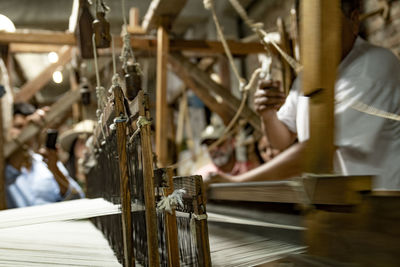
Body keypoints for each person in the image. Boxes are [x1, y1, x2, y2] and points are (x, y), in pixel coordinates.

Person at [213, 0, 400, 189]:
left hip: (381, 207)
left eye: (326, 21)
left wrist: (238, 181)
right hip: (339, 204)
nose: (314, 32)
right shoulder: (310, 75)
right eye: (306, 23)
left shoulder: (371, 67)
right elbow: (281, 140)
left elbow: (318, 150)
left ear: (353, 20)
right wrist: (268, 115)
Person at [5, 103, 84, 209]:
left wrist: (54, 169)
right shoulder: (4, 168)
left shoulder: (44, 163)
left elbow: (78, 199)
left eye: (29, 128)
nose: (26, 133)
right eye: (18, 127)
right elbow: (8, 177)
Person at [59, 119, 96, 187]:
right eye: (82, 142)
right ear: (74, 145)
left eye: (90, 141)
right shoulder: (64, 172)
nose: (86, 146)